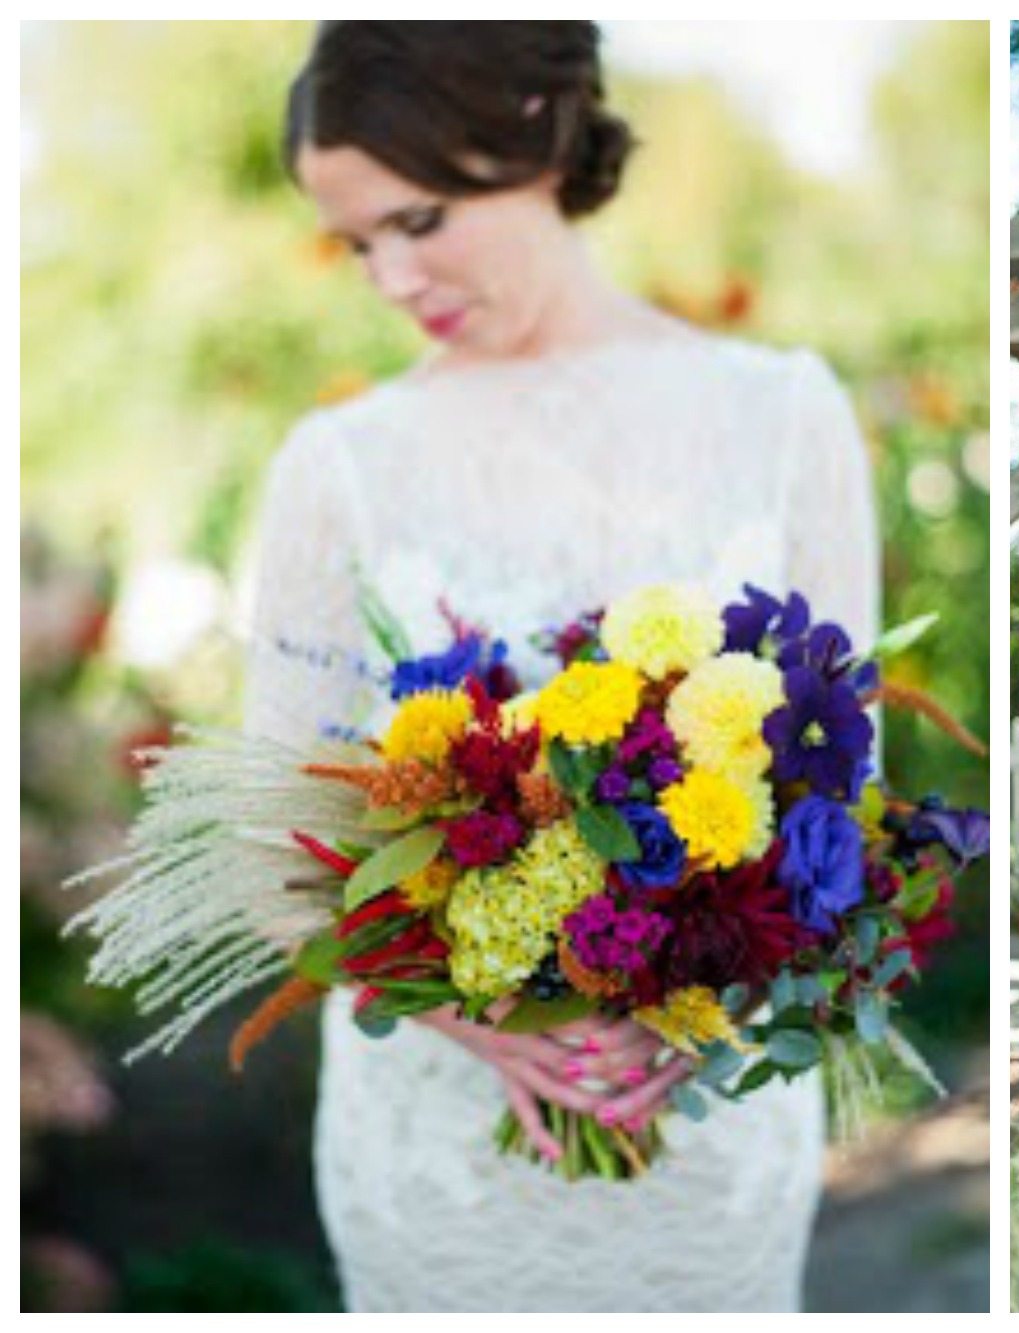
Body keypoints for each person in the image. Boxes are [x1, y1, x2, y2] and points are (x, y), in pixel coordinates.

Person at [247, 22, 877, 1311]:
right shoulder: (338, 463)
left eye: (417, 218)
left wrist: (699, 977)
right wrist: (468, 1015)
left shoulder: (782, 415)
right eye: (356, 241)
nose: (388, 274)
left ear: (534, 122)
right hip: (438, 1152)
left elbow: (841, 793)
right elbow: (275, 845)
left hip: (707, 1132)